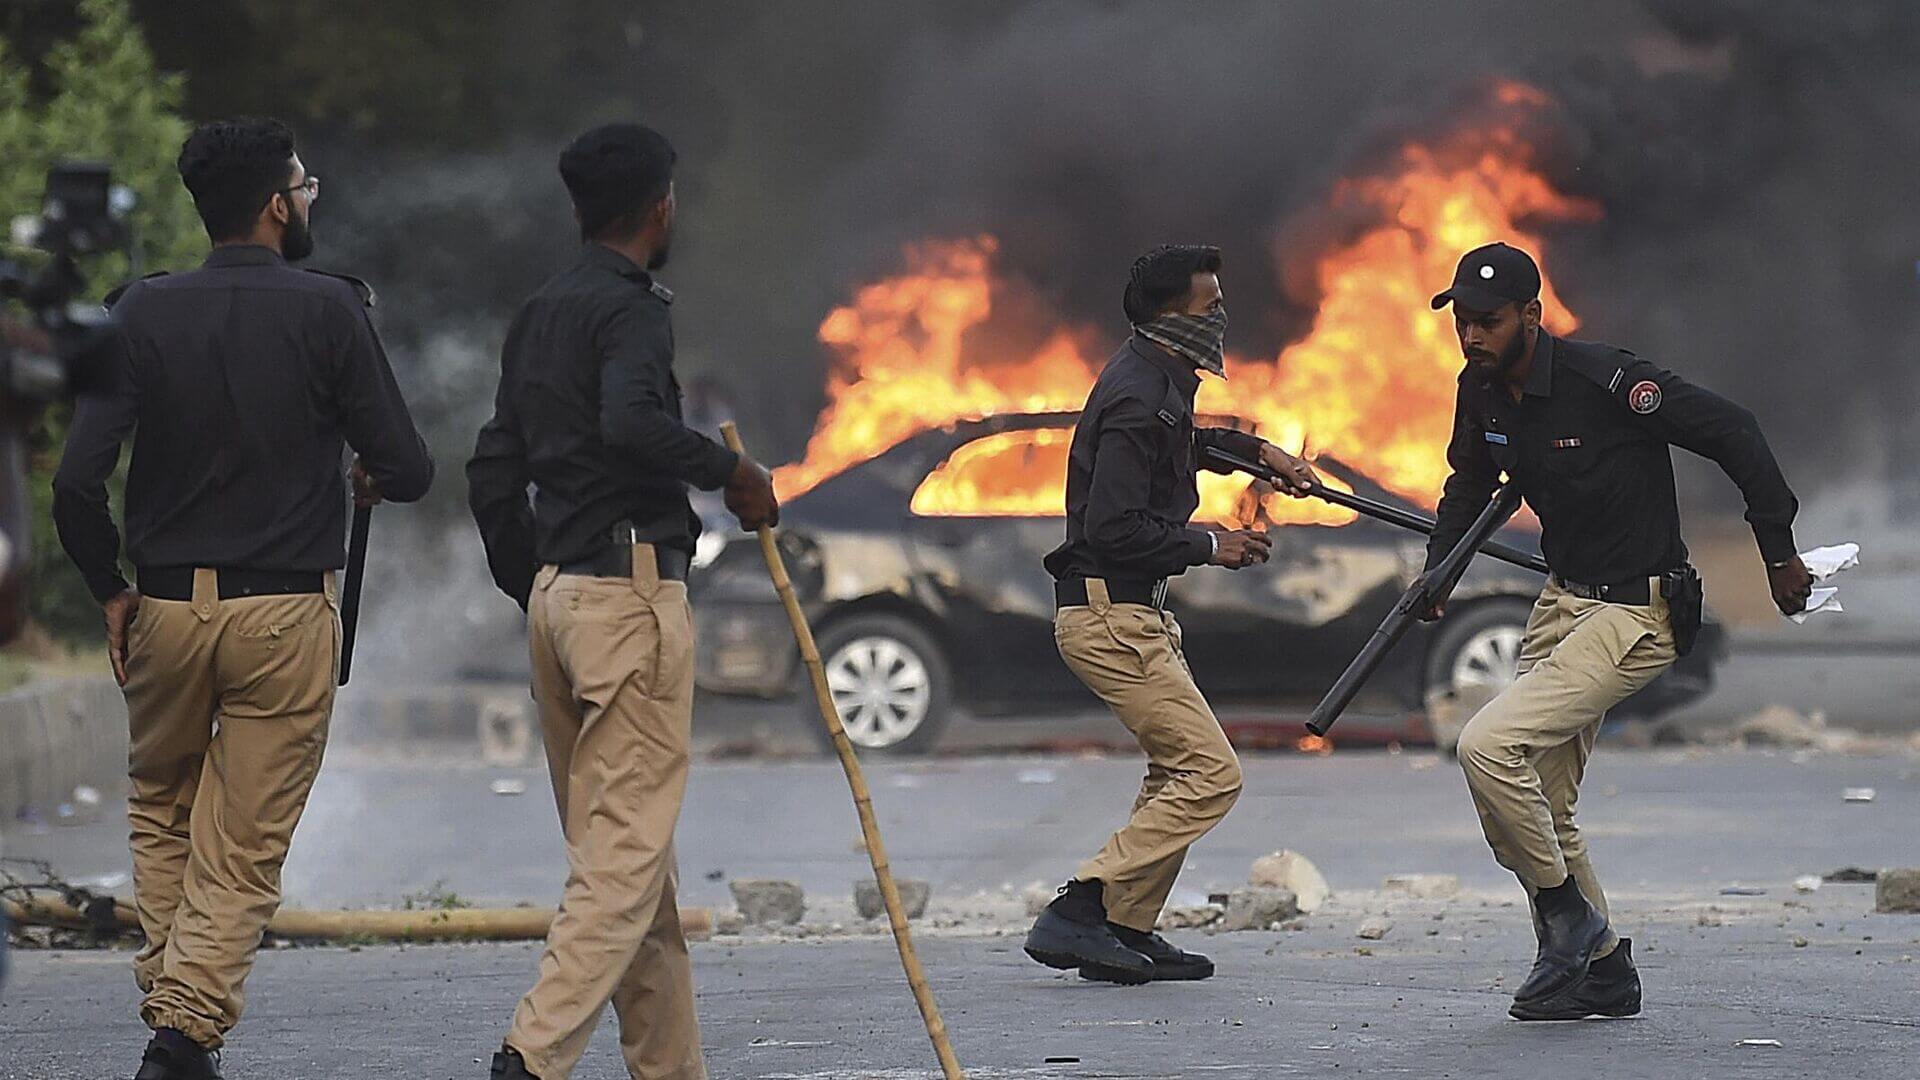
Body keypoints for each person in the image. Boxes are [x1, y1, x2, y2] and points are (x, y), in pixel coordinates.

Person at [51, 118, 433, 1078]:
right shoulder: (331, 311)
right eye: (305, 186)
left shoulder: (136, 313)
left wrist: (109, 590)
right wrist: (369, 477)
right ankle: (181, 1039)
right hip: (284, 616)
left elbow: (73, 483)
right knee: (245, 843)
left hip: (167, 611)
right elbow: (409, 466)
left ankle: (175, 1013)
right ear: (275, 204)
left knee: (162, 807)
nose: (309, 200)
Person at [1422, 242, 1812, 1020]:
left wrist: (1778, 553)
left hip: (1637, 610)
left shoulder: (1610, 383)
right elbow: (1468, 480)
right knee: (1540, 801)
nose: (1471, 336)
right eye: (1461, 322)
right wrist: (1440, 571)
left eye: (1487, 322)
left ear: (1532, 315)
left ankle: (1568, 923)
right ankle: (1602, 970)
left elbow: (1735, 431)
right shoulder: (1481, 389)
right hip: (1562, 603)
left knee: (1487, 747)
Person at [467, 122, 778, 1080]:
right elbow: (634, 423)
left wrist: (540, 584)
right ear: (659, 208)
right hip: (627, 598)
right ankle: (531, 1055)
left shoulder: (538, 315)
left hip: (562, 601)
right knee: (621, 860)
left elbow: (491, 469)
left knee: (632, 865)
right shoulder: (633, 311)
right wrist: (733, 472)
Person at [1025, 244, 1318, 984]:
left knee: (1174, 769)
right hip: (1108, 618)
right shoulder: (1134, 394)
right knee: (1212, 774)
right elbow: (1110, 529)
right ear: (1171, 318)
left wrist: (1257, 453)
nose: (1221, 317)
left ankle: (1124, 927)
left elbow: (1180, 442)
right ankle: (1083, 906)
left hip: (1132, 614)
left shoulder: (1155, 378)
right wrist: (1210, 543)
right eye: (1208, 306)